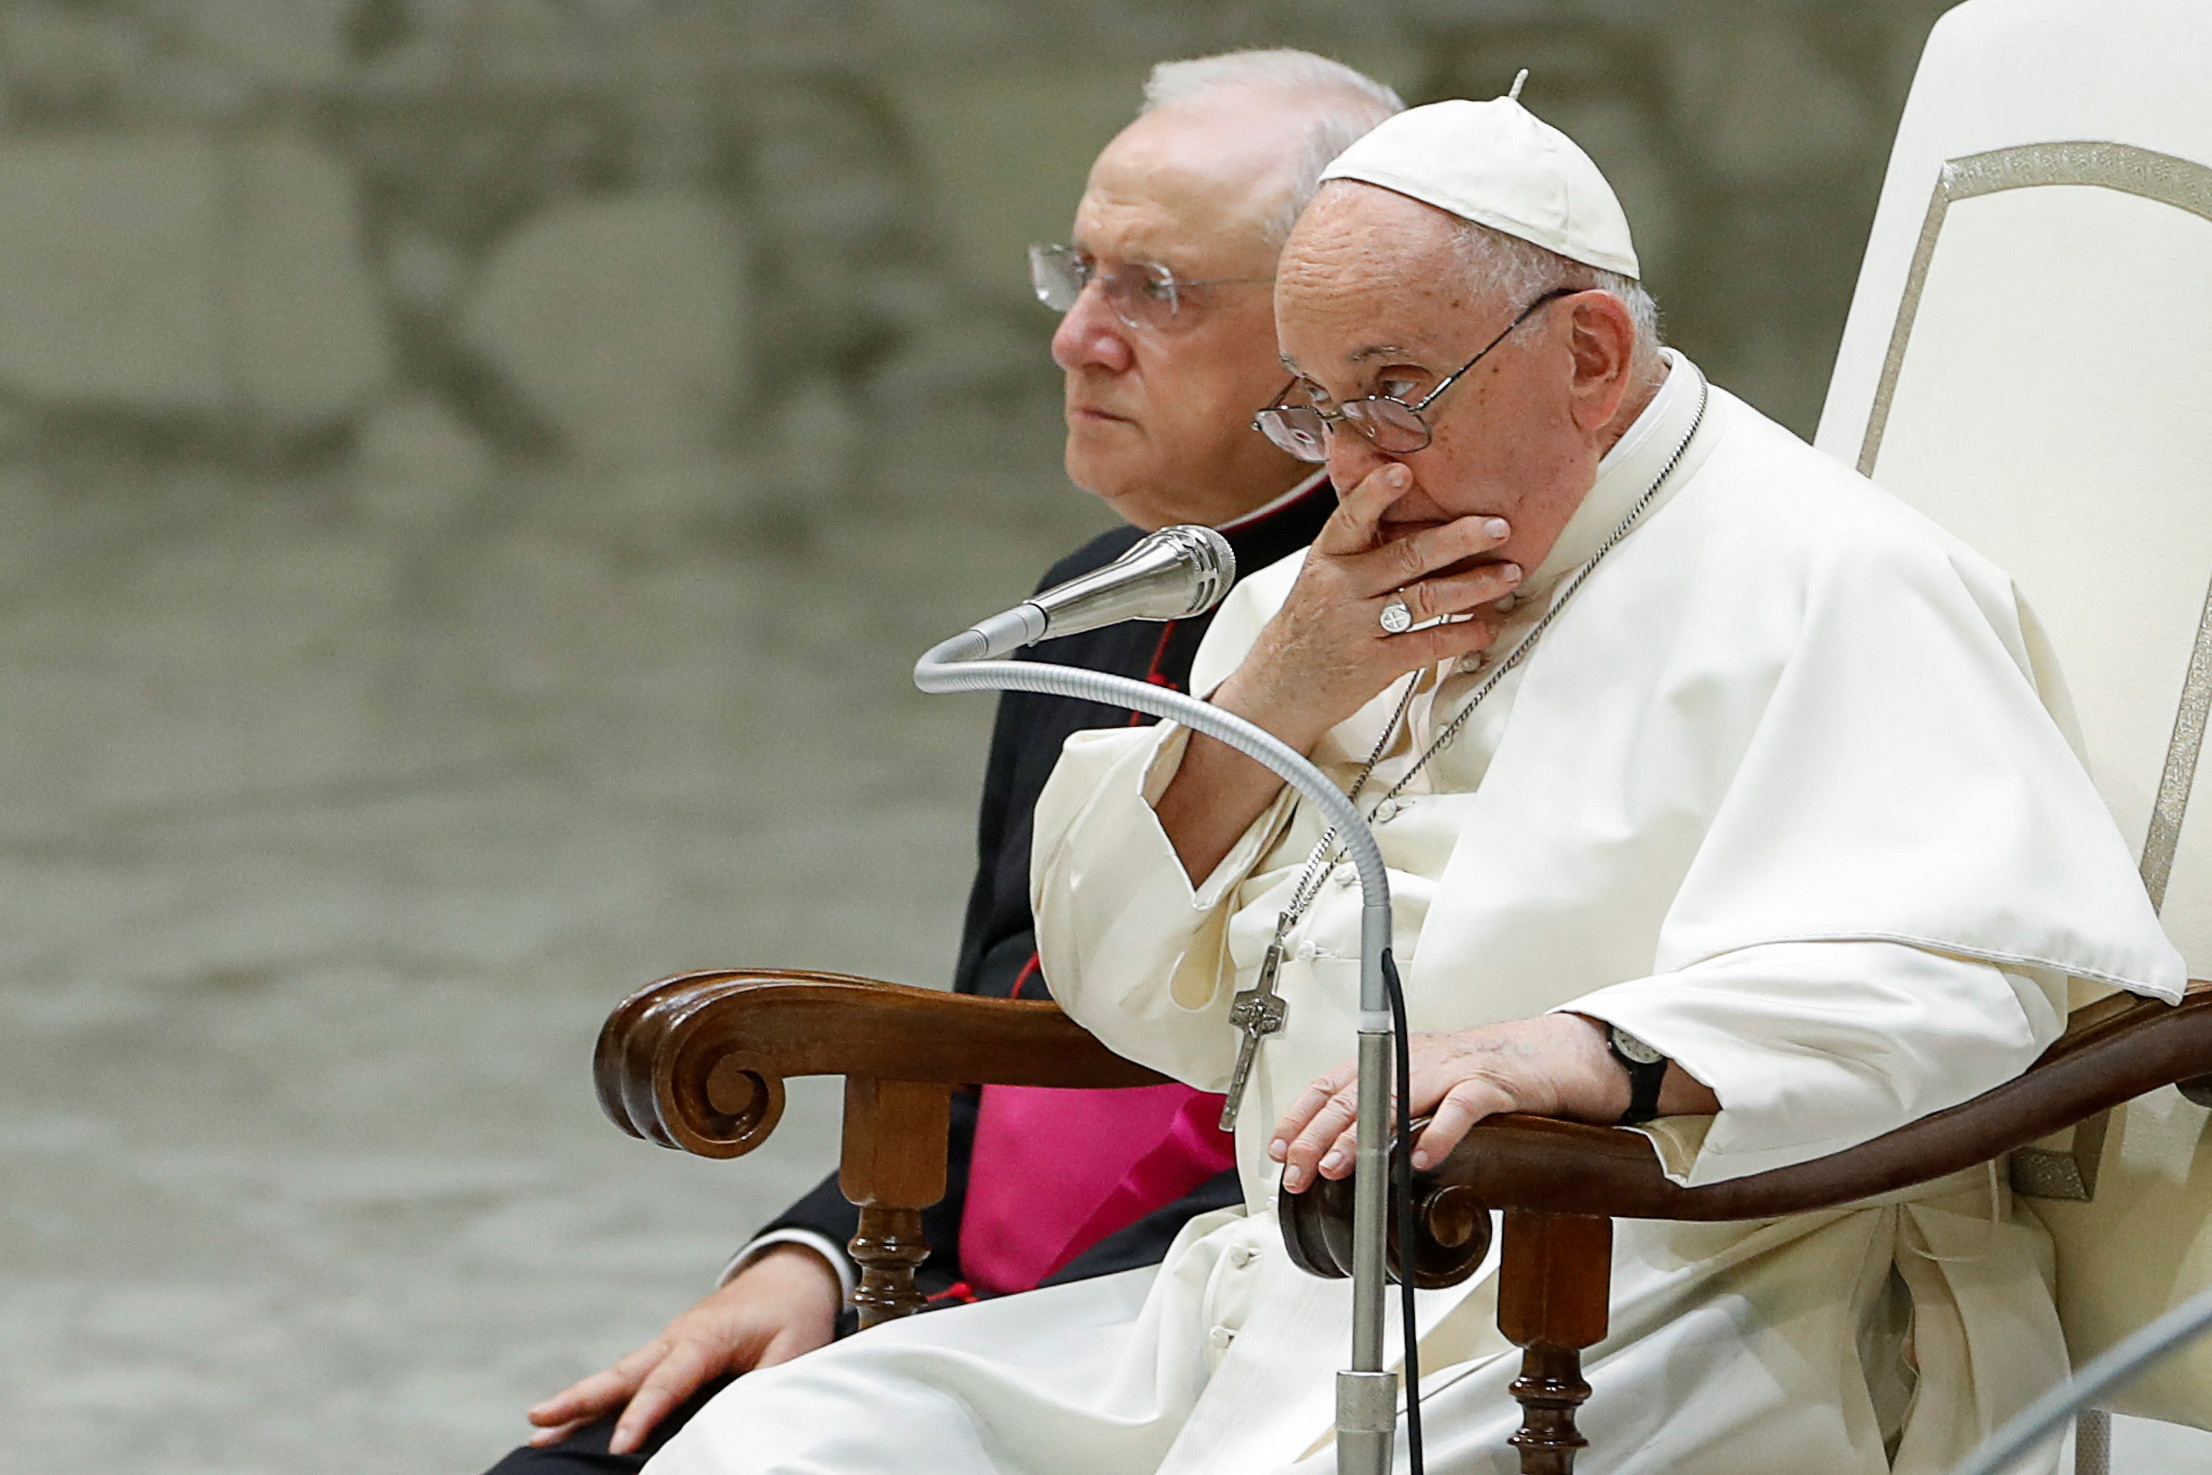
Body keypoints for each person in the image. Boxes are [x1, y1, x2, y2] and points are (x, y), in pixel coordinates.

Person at [641, 92, 2185, 1475]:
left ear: (1590, 358)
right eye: (1314, 404)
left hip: (1692, 1296)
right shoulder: (1342, 584)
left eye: (1393, 389)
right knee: (781, 1442)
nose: (1352, 468)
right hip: (1295, 1287)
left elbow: (1967, 978)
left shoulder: (1836, 579)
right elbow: (1121, 988)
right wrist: (1283, 689)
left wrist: (1585, 1052)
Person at [487, 50, 1403, 1474]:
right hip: (957, 1300)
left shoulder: (1427, 629)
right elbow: (1003, 1022)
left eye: (1155, 290)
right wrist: (813, 1257)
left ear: (1331, 341)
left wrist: (976, 1341)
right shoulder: (1099, 598)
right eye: (1079, 275)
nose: (1078, 338)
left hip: (1206, 1330)